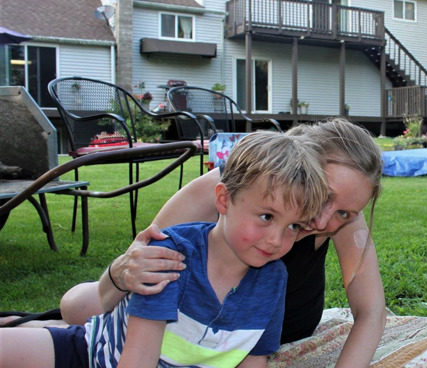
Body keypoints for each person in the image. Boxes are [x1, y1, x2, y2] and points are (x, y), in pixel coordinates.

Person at [58, 118, 387, 368]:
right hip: (183, 327)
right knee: (77, 310)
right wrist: (118, 276)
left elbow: (371, 311)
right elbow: (142, 266)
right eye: (324, 196)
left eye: (344, 212)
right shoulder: (223, 189)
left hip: (262, 341)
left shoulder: (346, 216)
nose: (322, 222)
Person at [0, 130, 329, 368]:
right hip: (92, 351)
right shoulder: (173, 255)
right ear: (224, 199)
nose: (276, 239)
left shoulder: (273, 278)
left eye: (293, 226)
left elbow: (254, 359)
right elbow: (138, 358)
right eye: (266, 216)